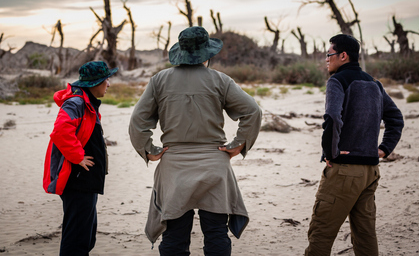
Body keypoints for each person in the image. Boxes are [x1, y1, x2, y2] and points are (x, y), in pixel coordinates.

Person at [129, 26, 262, 256]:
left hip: (174, 168)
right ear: (207, 54)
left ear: (180, 52)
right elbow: (253, 112)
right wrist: (237, 145)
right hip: (214, 166)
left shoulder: (159, 80)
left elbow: (137, 122)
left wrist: (149, 150)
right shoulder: (221, 80)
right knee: (216, 234)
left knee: (174, 237)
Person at [305, 34, 404, 255]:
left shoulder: (337, 81)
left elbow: (332, 117)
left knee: (320, 234)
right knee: (365, 235)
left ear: (343, 55)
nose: (326, 60)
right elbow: (396, 118)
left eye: (329, 54)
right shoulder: (374, 84)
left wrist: (330, 152)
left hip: (344, 172)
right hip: (370, 171)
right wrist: (383, 150)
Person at [43, 60, 117, 255]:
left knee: (86, 237)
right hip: (77, 181)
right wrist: (78, 157)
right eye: (105, 79)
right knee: (76, 240)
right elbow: (60, 131)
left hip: (87, 181)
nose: (108, 84)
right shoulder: (76, 102)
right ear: (95, 83)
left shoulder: (87, 102)